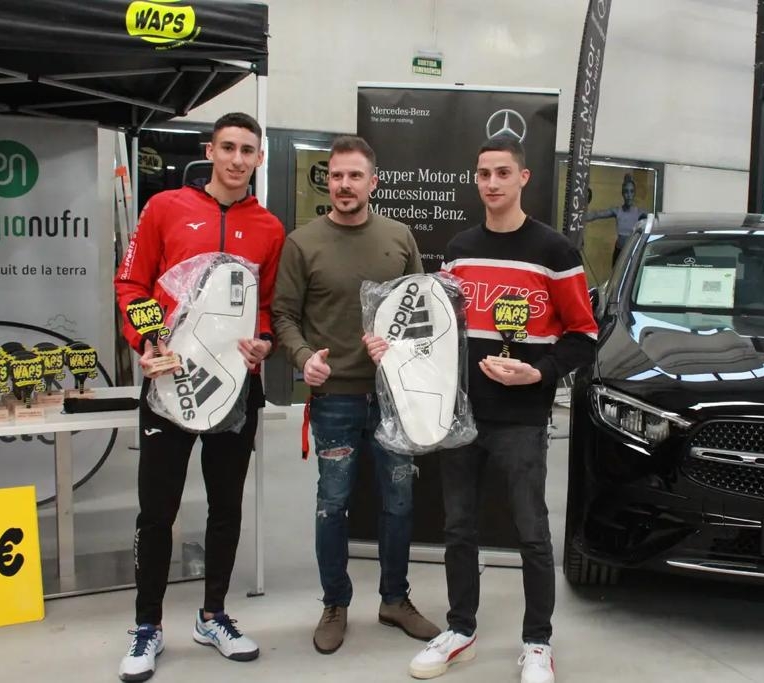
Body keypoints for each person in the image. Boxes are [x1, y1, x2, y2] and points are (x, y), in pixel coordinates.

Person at [366, 135, 597, 683]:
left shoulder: (555, 251)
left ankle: (537, 643)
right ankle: (460, 630)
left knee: (532, 533)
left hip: (522, 418)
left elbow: (584, 335)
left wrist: (539, 372)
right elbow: (437, 332)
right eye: (483, 174)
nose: (491, 183)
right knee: (459, 528)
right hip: (462, 415)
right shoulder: (461, 249)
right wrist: (390, 346)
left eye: (502, 173)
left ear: (523, 178)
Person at [114, 112, 284, 682]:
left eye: (247, 150)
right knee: (156, 511)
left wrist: (264, 341)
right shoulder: (165, 208)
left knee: (226, 507)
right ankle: (147, 625)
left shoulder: (269, 228)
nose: (237, 159)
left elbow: (267, 306)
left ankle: (213, 616)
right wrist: (146, 337)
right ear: (210, 151)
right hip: (168, 382)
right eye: (228, 147)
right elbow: (132, 284)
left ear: (259, 158)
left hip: (235, 389)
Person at [272, 135, 441, 656]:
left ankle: (394, 599)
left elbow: (423, 313)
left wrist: (401, 346)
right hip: (335, 400)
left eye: (354, 176)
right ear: (329, 181)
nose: (344, 185)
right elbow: (283, 315)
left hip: (393, 399)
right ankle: (335, 604)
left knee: (399, 502)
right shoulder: (303, 243)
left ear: (373, 181)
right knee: (332, 505)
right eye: (336, 176)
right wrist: (304, 358)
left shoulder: (398, 237)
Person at [584, 173, 645, 264]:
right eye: (626, 191)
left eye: (631, 191)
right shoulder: (617, 211)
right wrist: (579, 217)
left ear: (634, 193)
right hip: (619, 251)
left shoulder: (640, 213)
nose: (629, 195)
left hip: (632, 252)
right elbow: (597, 214)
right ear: (622, 193)